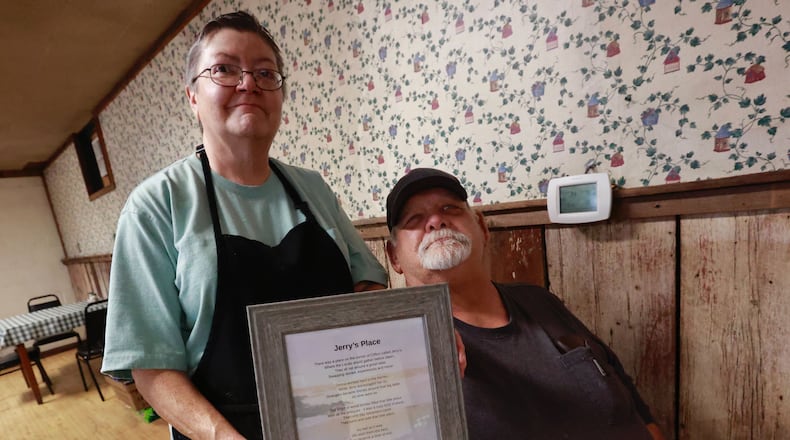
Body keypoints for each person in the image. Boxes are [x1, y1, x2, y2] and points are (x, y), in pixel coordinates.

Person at [101, 11, 387, 440]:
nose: (248, 83)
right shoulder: (156, 204)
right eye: (224, 69)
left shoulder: (312, 187)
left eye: (265, 72)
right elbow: (151, 366)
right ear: (192, 97)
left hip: (339, 420)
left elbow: (367, 287)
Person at [384, 168, 665, 440]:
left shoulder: (538, 300)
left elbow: (623, 391)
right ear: (394, 256)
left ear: (482, 227)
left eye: (450, 208)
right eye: (414, 219)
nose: (436, 221)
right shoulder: (395, 347)